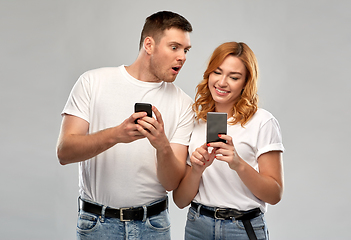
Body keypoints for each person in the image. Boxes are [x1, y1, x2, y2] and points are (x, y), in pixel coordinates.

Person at [56, 11, 194, 239]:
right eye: (174, 47)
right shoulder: (93, 82)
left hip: (153, 226)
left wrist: (162, 145)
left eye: (186, 50)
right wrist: (117, 135)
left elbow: (171, 183)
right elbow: (64, 152)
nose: (182, 57)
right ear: (149, 45)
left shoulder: (183, 104)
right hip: (97, 224)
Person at [173, 42, 285, 240]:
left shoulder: (262, 122)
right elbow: (180, 200)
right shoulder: (196, 120)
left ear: (245, 82)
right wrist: (197, 169)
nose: (222, 82)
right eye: (217, 72)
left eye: (234, 77)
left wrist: (238, 164)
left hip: (242, 228)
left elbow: (274, 194)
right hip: (198, 226)